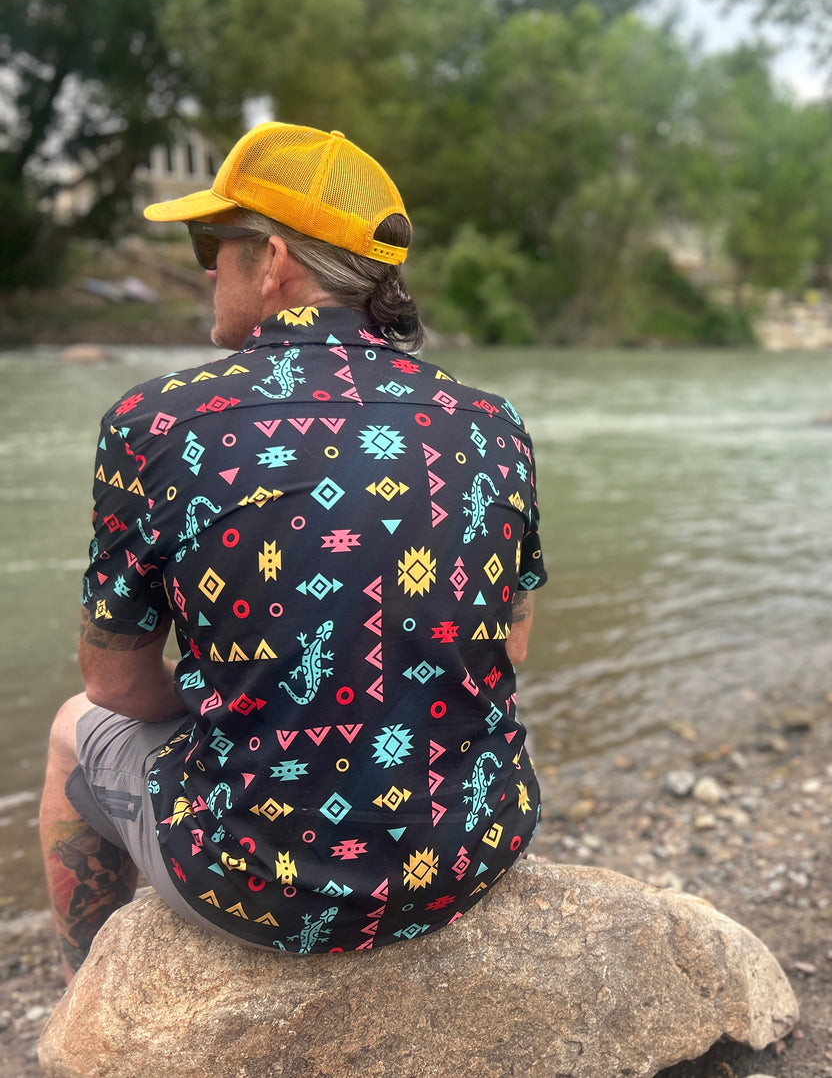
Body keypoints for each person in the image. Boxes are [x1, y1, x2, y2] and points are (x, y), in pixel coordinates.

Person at [39, 122, 546, 977]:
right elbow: (511, 646)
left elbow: (114, 683)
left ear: (273, 259)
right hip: (471, 854)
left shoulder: (159, 421)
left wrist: (228, 696)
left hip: (256, 887)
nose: (206, 266)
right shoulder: (491, 422)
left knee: (70, 727)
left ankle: (93, 976)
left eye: (213, 242)